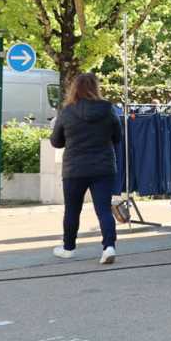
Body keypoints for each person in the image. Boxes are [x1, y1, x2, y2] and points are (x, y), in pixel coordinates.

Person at [49, 73, 123, 264]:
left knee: (72, 210)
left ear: (74, 88)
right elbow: (117, 138)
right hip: (103, 168)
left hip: (75, 169)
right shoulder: (108, 109)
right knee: (104, 209)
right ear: (96, 88)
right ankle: (109, 247)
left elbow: (56, 142)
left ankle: (68, 248)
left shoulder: (66, 112)